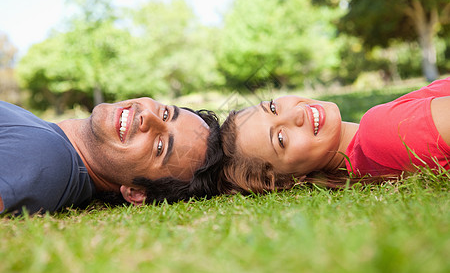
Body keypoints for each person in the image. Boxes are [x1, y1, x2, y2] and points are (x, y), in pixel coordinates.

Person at [219, 77, 450, 194]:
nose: (297, 113)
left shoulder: (372, 143)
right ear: (290, 180)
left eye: (272, 107)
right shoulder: (378, 130)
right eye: (281, 138)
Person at [0, 97, 222, 215]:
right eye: (165, 113)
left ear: (136, 193)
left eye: (160, 146)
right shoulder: (51, 142)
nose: (148, 116)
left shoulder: (47, 159)